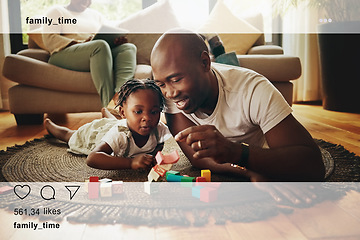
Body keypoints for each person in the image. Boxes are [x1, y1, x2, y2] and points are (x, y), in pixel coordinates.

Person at [150, 31, 325, 181]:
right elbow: (197, 157)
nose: (170, 93)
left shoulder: (254, 90)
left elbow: (313, 165)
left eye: (176, 80)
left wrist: (236, 152)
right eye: (162, 84)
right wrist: (248, 171)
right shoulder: (168, 94)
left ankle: (219, 50)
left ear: (204, 62)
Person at [44, 79, 171, 170]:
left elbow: (159, 144)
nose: (147, 118)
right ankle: (50, 125)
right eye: (138, 111)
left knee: (114, 123)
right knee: (72, 136)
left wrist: (154, 156)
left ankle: (106, 112)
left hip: (117, 123)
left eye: (154, 111)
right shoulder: (119, 135)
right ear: (122, 112)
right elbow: (93, 158)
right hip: (98, 134)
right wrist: (131, 163)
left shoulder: (158, 129)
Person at [42, 0, 137, 107]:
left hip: (96, 54)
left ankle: (121, 96)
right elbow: (49, 39)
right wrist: (82, 43)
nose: (87, 2)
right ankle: (108, 106)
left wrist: (115, 42)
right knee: (99, 45)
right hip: (62, 55)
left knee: (128, 48)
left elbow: (103, 38)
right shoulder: (57, 11)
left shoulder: (95, 15)